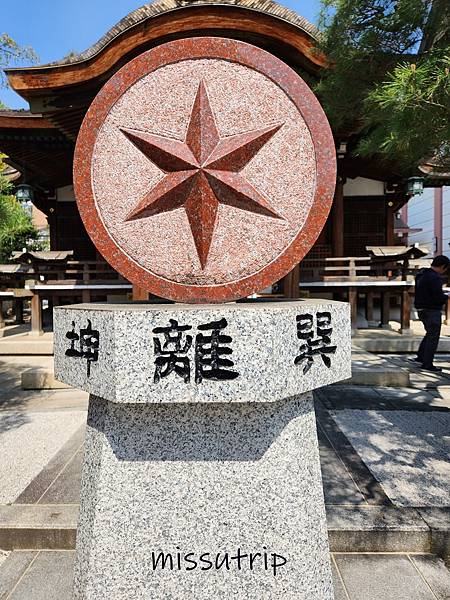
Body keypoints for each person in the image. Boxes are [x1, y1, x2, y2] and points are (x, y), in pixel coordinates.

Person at [414, 254, 450, 372]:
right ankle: (427, 363)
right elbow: (437, 297)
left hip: (421, 308)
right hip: (431, 310)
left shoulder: (421, 274)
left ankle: (420, 357)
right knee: (433, 337)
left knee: (430, 334)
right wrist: (446, 297)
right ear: (443, 266)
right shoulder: (435, 278)